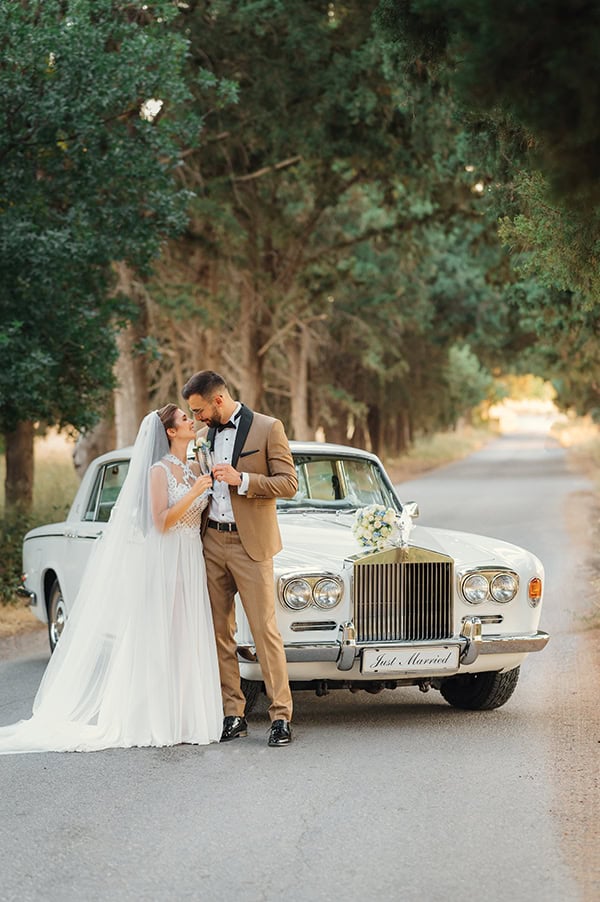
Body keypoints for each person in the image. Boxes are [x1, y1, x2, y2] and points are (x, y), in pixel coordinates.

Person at [0, 406, 223, 754]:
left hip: (191, 558)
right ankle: (157, 719)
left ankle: (187, 718)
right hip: (167, 560)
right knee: (164, 634)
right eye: (183, 419)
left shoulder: (193, 466)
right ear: (169, 432)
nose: (190, 421)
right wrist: (195, 492)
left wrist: (203, 483)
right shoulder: (158, 472)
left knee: (186, 635)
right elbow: (161, 521)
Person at [182, 371, 298, 747]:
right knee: (219, 633)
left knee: (265, 632)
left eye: (199, 410)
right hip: (211, 541)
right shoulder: (202, 437)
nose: (196, 418)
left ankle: (281, 717)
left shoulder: (268, 428)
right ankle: (234, 715)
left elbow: (288, 483)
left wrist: (242, 480)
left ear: (217, 400)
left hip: (252, 547)